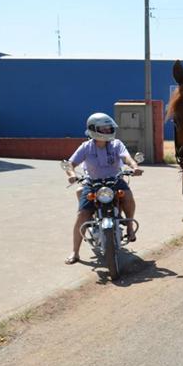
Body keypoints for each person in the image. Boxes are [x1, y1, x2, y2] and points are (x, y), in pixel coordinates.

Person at [64, 113, 143, 264]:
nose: (107, 131)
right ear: (93, 129)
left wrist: (134, 167)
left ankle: (129, 227)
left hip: (115, 180)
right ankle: (75, 252)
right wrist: (72, 174)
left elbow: (127, 157)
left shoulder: (116, 144)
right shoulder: (85, 147)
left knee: (127, 195)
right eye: (104, 129)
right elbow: (70, 164)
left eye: (109, 128)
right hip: (92, 183)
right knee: (82, 214)